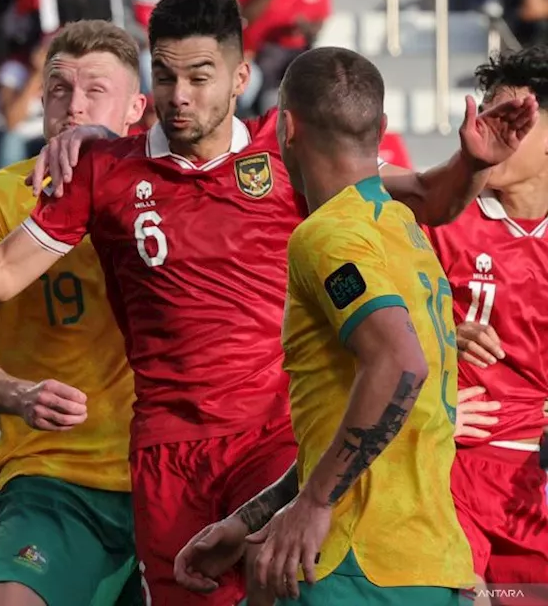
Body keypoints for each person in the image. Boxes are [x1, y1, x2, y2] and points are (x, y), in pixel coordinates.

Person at [0, 0, 536, 604]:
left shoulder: (287, 156)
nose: (180, 95)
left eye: (199, 77)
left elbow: (432, 201)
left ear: (237, 76)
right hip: (167, 454)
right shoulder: (103, 171)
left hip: (268, 441)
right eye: (166, 75)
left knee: (278, 571)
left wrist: (471, 162)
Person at [173, 47, 472, 603]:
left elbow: (400, 365)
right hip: (426, 564)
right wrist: (252, 517)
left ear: (287, 127)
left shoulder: (329, 236)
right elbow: (369, 417)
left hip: (350, 566)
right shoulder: (402, 229)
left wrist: (313, 505)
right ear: (380, 129)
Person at [0, 20, 145, 606]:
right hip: (52, 477)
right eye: (59, 89)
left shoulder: (176, 191)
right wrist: (20, 394)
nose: (74, 106)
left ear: (136, 107)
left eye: (95, 90)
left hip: (172, 474)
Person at [426, 45, 548, 590]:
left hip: (533, 478)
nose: (493, 132)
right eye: (488, 115)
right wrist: (438, 338)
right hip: (451, 463)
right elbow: (365, 334)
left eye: (513, 120)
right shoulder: (440, 217)